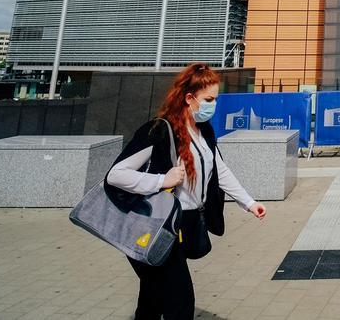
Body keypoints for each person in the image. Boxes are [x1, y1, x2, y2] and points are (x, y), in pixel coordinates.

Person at [105, 63, 266, 319]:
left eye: (216, 98)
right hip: (159, 226)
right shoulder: (158, 130)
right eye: (209, 99)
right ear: (189, 98)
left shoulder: (204, 131)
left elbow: (219, 170)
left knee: (151, 297)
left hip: (187, 223)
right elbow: (115, 175)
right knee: (180, 302)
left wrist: (248, 202)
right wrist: (162, 180)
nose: (213, 105)